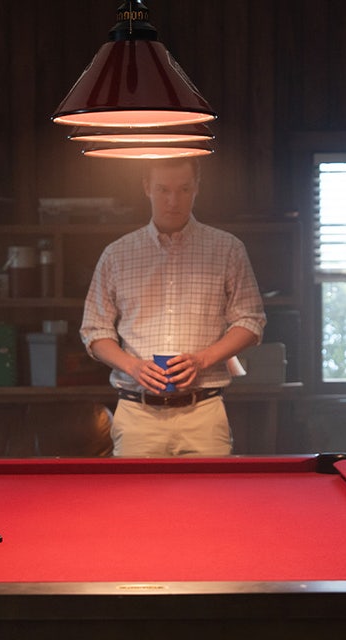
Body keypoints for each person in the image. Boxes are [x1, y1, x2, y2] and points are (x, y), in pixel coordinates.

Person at [80, 157, 266, 456]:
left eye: (183, 189)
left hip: (203, 412)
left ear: (197, 188)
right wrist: (133, 366)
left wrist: (202, 360)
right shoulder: (117, 254)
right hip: (137, 412)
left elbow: (251, 321)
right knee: (134, 502)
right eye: (163, 189)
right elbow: (94, 330)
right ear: (146, 188)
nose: (173, 200)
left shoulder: (228, 248)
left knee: (209, 502)